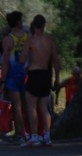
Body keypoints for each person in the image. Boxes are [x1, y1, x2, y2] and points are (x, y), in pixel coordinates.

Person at [19, 15, 60, 147]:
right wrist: (57, 79)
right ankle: (47, 136)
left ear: (33, 25)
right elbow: (55, 61)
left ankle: (34, 136)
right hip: (46, 74)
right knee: (44, 108)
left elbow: (22, 59)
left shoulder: (30, 41)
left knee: (31, 107)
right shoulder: (50, 41)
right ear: (44, 25)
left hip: (34, 73)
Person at [0, 11, 28, 141]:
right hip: (27, 72)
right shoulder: (28, 37)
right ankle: (31, 133)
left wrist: (3, 80)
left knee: (17, 106)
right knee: (28, 105)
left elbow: (5, 63)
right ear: (18, 22)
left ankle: (20, 133)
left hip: (13, 74)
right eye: (21, 20)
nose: (22, 22)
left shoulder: (8, 40)